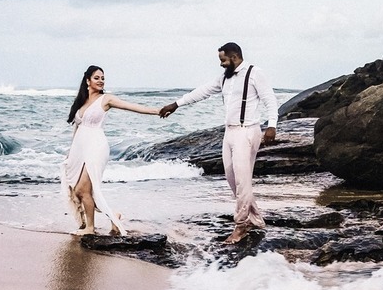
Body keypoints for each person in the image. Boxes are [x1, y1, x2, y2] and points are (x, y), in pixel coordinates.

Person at [159, 42, 278, 244]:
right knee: (233, 180)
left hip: (247, 131)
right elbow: (202, 92)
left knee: (242, 181)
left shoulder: (255, 73)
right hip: (229, 132)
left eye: (223, 60)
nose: (221, 64)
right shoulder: (225, 78)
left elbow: (270, 100)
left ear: (234, 56)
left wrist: (272, 126)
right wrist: (176, 104)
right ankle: (255, 219)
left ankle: (241, 226)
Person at [63, 66, 159, 235]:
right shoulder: (81, 102)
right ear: (87, 81)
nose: (101, 81)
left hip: (96, 146)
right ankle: (113, 216)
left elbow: (132, 107)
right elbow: (77, 130)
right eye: (96, 78)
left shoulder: (106, 99)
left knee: (83, 189)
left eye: (102, 78)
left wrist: (157, 111)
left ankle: (90, 228)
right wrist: (71, 152)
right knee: (79, 190)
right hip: (80, 148)